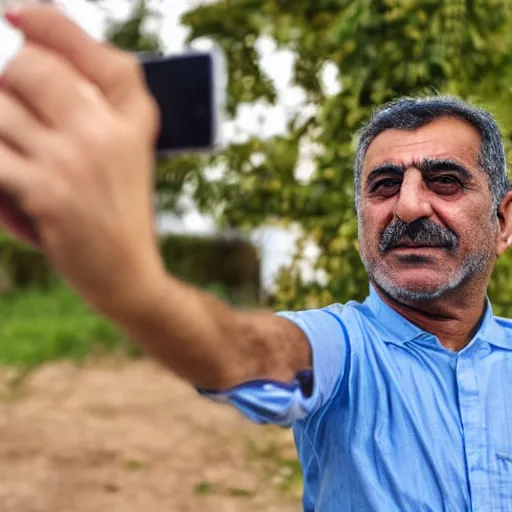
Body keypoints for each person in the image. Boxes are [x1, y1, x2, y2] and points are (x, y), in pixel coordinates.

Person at [1, 5, 511, 511]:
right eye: (384, 185)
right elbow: (242, 351)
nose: (407, 204)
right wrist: (131, 282)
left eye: (445, 180)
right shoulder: (344, 349)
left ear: (503, 221)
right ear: (360, 228)